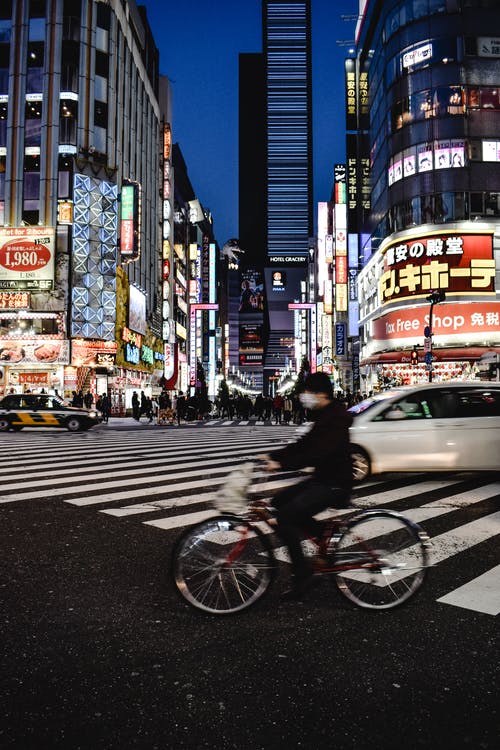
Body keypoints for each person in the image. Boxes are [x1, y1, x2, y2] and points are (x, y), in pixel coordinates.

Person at [260, 372, 353, 600]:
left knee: (287, 517)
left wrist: (281, 463)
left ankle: (303, 574)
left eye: (308, 392)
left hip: (335, 482)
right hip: (323, 478)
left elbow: (317, 452)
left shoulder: (336, 417)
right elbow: (305, 444)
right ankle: (322, 535)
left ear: (321, 394)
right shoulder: (324, 414)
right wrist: (274, 455)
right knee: (278, 503)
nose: (304, 396)